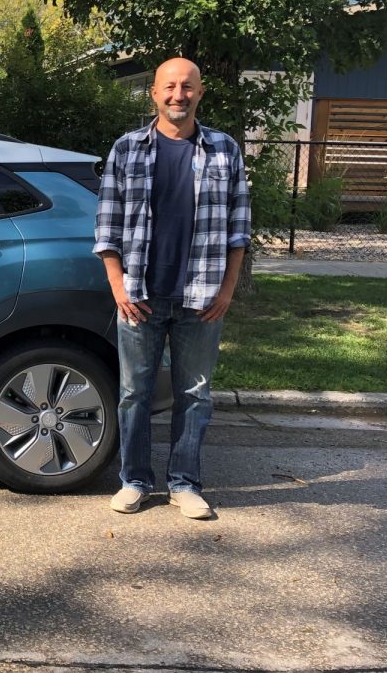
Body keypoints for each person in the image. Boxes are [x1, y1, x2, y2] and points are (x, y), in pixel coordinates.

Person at [94, 57, 250, 519]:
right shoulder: (127, 149)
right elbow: (107, 228)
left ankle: (184, 484)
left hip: (201, 297)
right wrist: (118, 288)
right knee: (133, 393)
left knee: (195, 393)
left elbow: (239, 227)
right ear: (154, 93)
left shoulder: (225, 150)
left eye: (187, 87)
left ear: (200, 92)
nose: (177, 94)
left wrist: (228, 289)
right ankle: (134, 481)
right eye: (169, 86)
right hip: (140, 295)